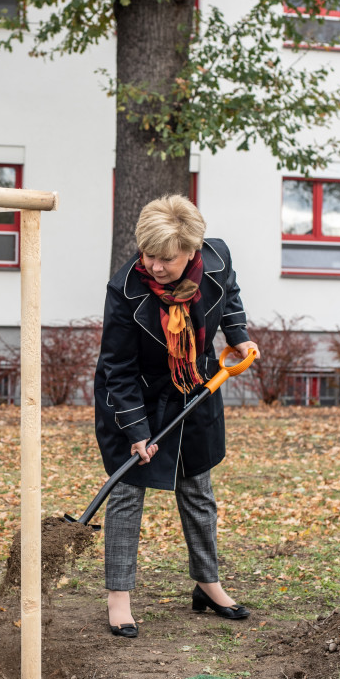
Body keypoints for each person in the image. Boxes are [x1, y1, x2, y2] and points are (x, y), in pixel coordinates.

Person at [95, 195, 260, 637]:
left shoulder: (217, 258)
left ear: (192, 251)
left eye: (165, 258)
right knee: (128, 493)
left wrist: (238, 334)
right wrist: (136, 430)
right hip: (139, 393)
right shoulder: (126, 289)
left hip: (196, 383)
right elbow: (118, 369)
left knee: (197, 488)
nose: (155, 265)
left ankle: (207, 585)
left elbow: (231, 291)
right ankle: (119, 599)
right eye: (148, 254)